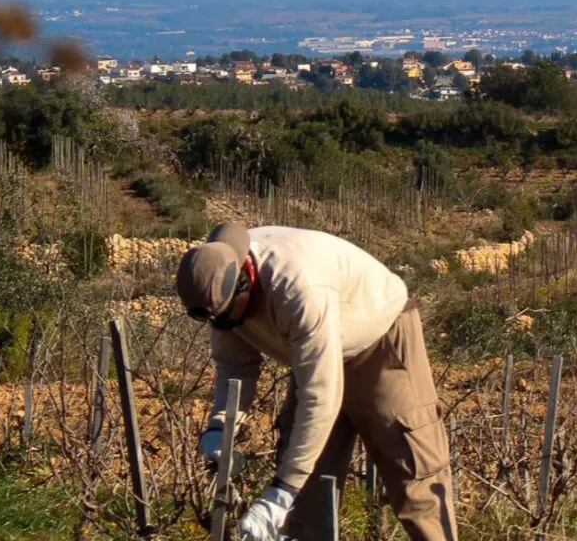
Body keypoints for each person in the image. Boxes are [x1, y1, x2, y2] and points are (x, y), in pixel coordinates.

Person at [176, 221, 458, 541]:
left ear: (243, 281)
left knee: (414, 476)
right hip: (315, 355)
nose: (225, 324)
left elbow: (319, 397)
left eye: (226, 315)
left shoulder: (297, 288)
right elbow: (235, 367)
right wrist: (220, 426)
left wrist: (280, 493)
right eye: (217, 319)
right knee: (306, 496)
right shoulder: (218, 292)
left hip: (380, 341)